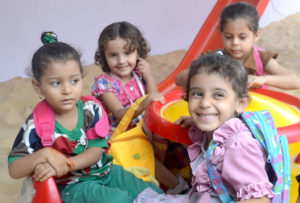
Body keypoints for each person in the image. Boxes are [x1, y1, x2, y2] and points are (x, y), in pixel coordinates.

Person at [7, 32, 162, 203]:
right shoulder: (35, 125)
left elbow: (95, 152)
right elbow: (14, 169)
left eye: (74, 81)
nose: (67, 90)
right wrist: (44, 154)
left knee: (152, 192)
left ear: (82, 78)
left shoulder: (91, 109)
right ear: (38, 87)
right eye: (56, 83)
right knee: (118, 199)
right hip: (72, 185)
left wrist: (67, 164)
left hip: (106, 170)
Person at [135, 53, 274, 202]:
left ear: (241, 103)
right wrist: (198, 121)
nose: (205, 103)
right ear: (186, 97)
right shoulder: (216, 131)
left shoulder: (238, 145)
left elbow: (259, 199)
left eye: (218, 95)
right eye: (197, 93)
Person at [92, 21, 190, 194]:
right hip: (122, 133)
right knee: (144, 150)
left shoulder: (139, 75)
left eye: (128, 53)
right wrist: (142, 104)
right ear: (104, 56)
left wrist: (149, 75)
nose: (121, 61)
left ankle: (184, 173)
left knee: (174, 134)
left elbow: (156, 100)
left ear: (138, 52)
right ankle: (177, 186)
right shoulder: (104, 82)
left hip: (145, 125)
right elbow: (121, 115)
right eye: (113, 55)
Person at [175, 2, 300, 90]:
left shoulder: (261, 58)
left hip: (255, 116)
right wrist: (206, 69)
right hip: (225, 115)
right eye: (229, 37)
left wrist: (263, 80)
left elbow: (294, 81)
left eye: (242, 37)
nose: (235, 42)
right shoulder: (214, 57)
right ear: (222, 35)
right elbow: (179, 79)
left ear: (256, 36)